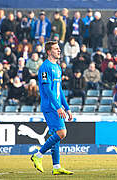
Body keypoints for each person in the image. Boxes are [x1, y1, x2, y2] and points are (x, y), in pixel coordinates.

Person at [31, 41, 73, 175]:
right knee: (62, 133)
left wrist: (67, 108)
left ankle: (56, 166)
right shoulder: (45, 67)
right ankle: (37, 155)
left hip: (56, 106)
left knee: (56, 135)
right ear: (49, 52)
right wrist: (58, 107)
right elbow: (47, 90)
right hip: (50, 106)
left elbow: (59, 90)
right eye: (56, 49)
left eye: (59, 49)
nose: (59, 51)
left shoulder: (58, 67)